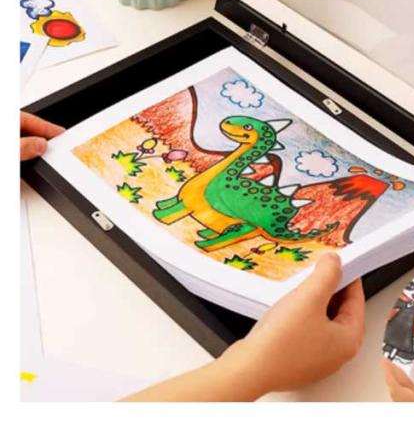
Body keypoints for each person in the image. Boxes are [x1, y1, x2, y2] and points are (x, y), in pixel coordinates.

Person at [20, 110, 366, 401]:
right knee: (195, 196)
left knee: (205, 200)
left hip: (251, 218)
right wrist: (252, 371)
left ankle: (222, 234)